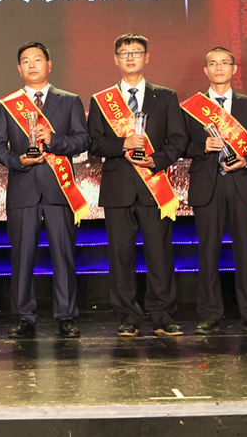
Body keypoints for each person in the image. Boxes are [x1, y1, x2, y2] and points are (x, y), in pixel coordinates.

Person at [87, 33, 188, 337]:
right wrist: (123, 143)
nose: (130, 57)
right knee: (121, 256)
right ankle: (128, 315)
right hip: (118, 189)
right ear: (115, 59)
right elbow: (94, 143)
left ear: (147, 57)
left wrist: (156, 160)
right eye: (124, 53)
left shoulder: (165, 96)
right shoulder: (101, 100)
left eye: (136, 52)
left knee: (160, 254)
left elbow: (178, 140)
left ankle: (162, 314)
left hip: (154, 187)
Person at [0, 42, 91, 339]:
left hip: (60, 191)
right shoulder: (8, 104)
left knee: (64, 255)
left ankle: (66, 316)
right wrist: (17, 161)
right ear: (19, 69)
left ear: (50, 65)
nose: (32, 65)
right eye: (26, 61)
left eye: (37, 59)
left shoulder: (69, 100)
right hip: (23, 190)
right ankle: (24, 317)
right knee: (22, 258)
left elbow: (83, 140)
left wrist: (54, 139)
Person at [179, 48, 247, 335]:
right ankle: (209, 314)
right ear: (205, 70)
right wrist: (201, 147)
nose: (218, 68)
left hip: (241, 183)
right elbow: (179, 145)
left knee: (245, 252)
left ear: (234, 68)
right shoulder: (190, 107)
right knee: (208, 253)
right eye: (212, 64)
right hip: (207, 186)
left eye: (224, 63)